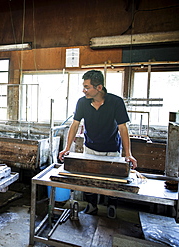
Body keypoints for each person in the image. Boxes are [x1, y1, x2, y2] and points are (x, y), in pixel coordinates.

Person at [58, 70, 137, 218]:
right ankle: (92, 205)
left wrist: (128, 154)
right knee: (89, 180)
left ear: (99, 88)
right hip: (90, 148)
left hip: (111, 149)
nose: (84, 90)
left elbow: (123, 128)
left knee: (113, 181)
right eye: (84, 86)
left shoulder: (116, 102)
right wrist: (67, 148)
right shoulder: (82, 102)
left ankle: (111, 206)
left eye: (87, 87)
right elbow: (74, 125)